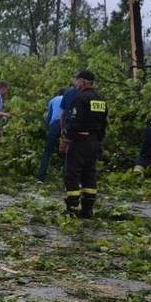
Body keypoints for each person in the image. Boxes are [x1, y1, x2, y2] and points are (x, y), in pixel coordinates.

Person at [60, 70, 108, 218]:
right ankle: (87, 209)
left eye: (77, 81)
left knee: (72, 174)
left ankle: (72, 208)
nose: (75, 84)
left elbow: (75, 122)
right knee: (89, 174)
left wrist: (67, 139)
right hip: (94, 141)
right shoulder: (100, 100)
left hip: (80, 141)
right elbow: (104, 123)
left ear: (83, 82)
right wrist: (98, 140)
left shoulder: (79, 99)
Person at [37, 88, 66, 182]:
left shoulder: (52, 100)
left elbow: (49, 116)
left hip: (54, 125)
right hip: (65, 124)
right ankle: (67, 177)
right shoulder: (67, 98)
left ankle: (41, 177)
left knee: (47, 151)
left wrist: (48, 129)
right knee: (66, 151)